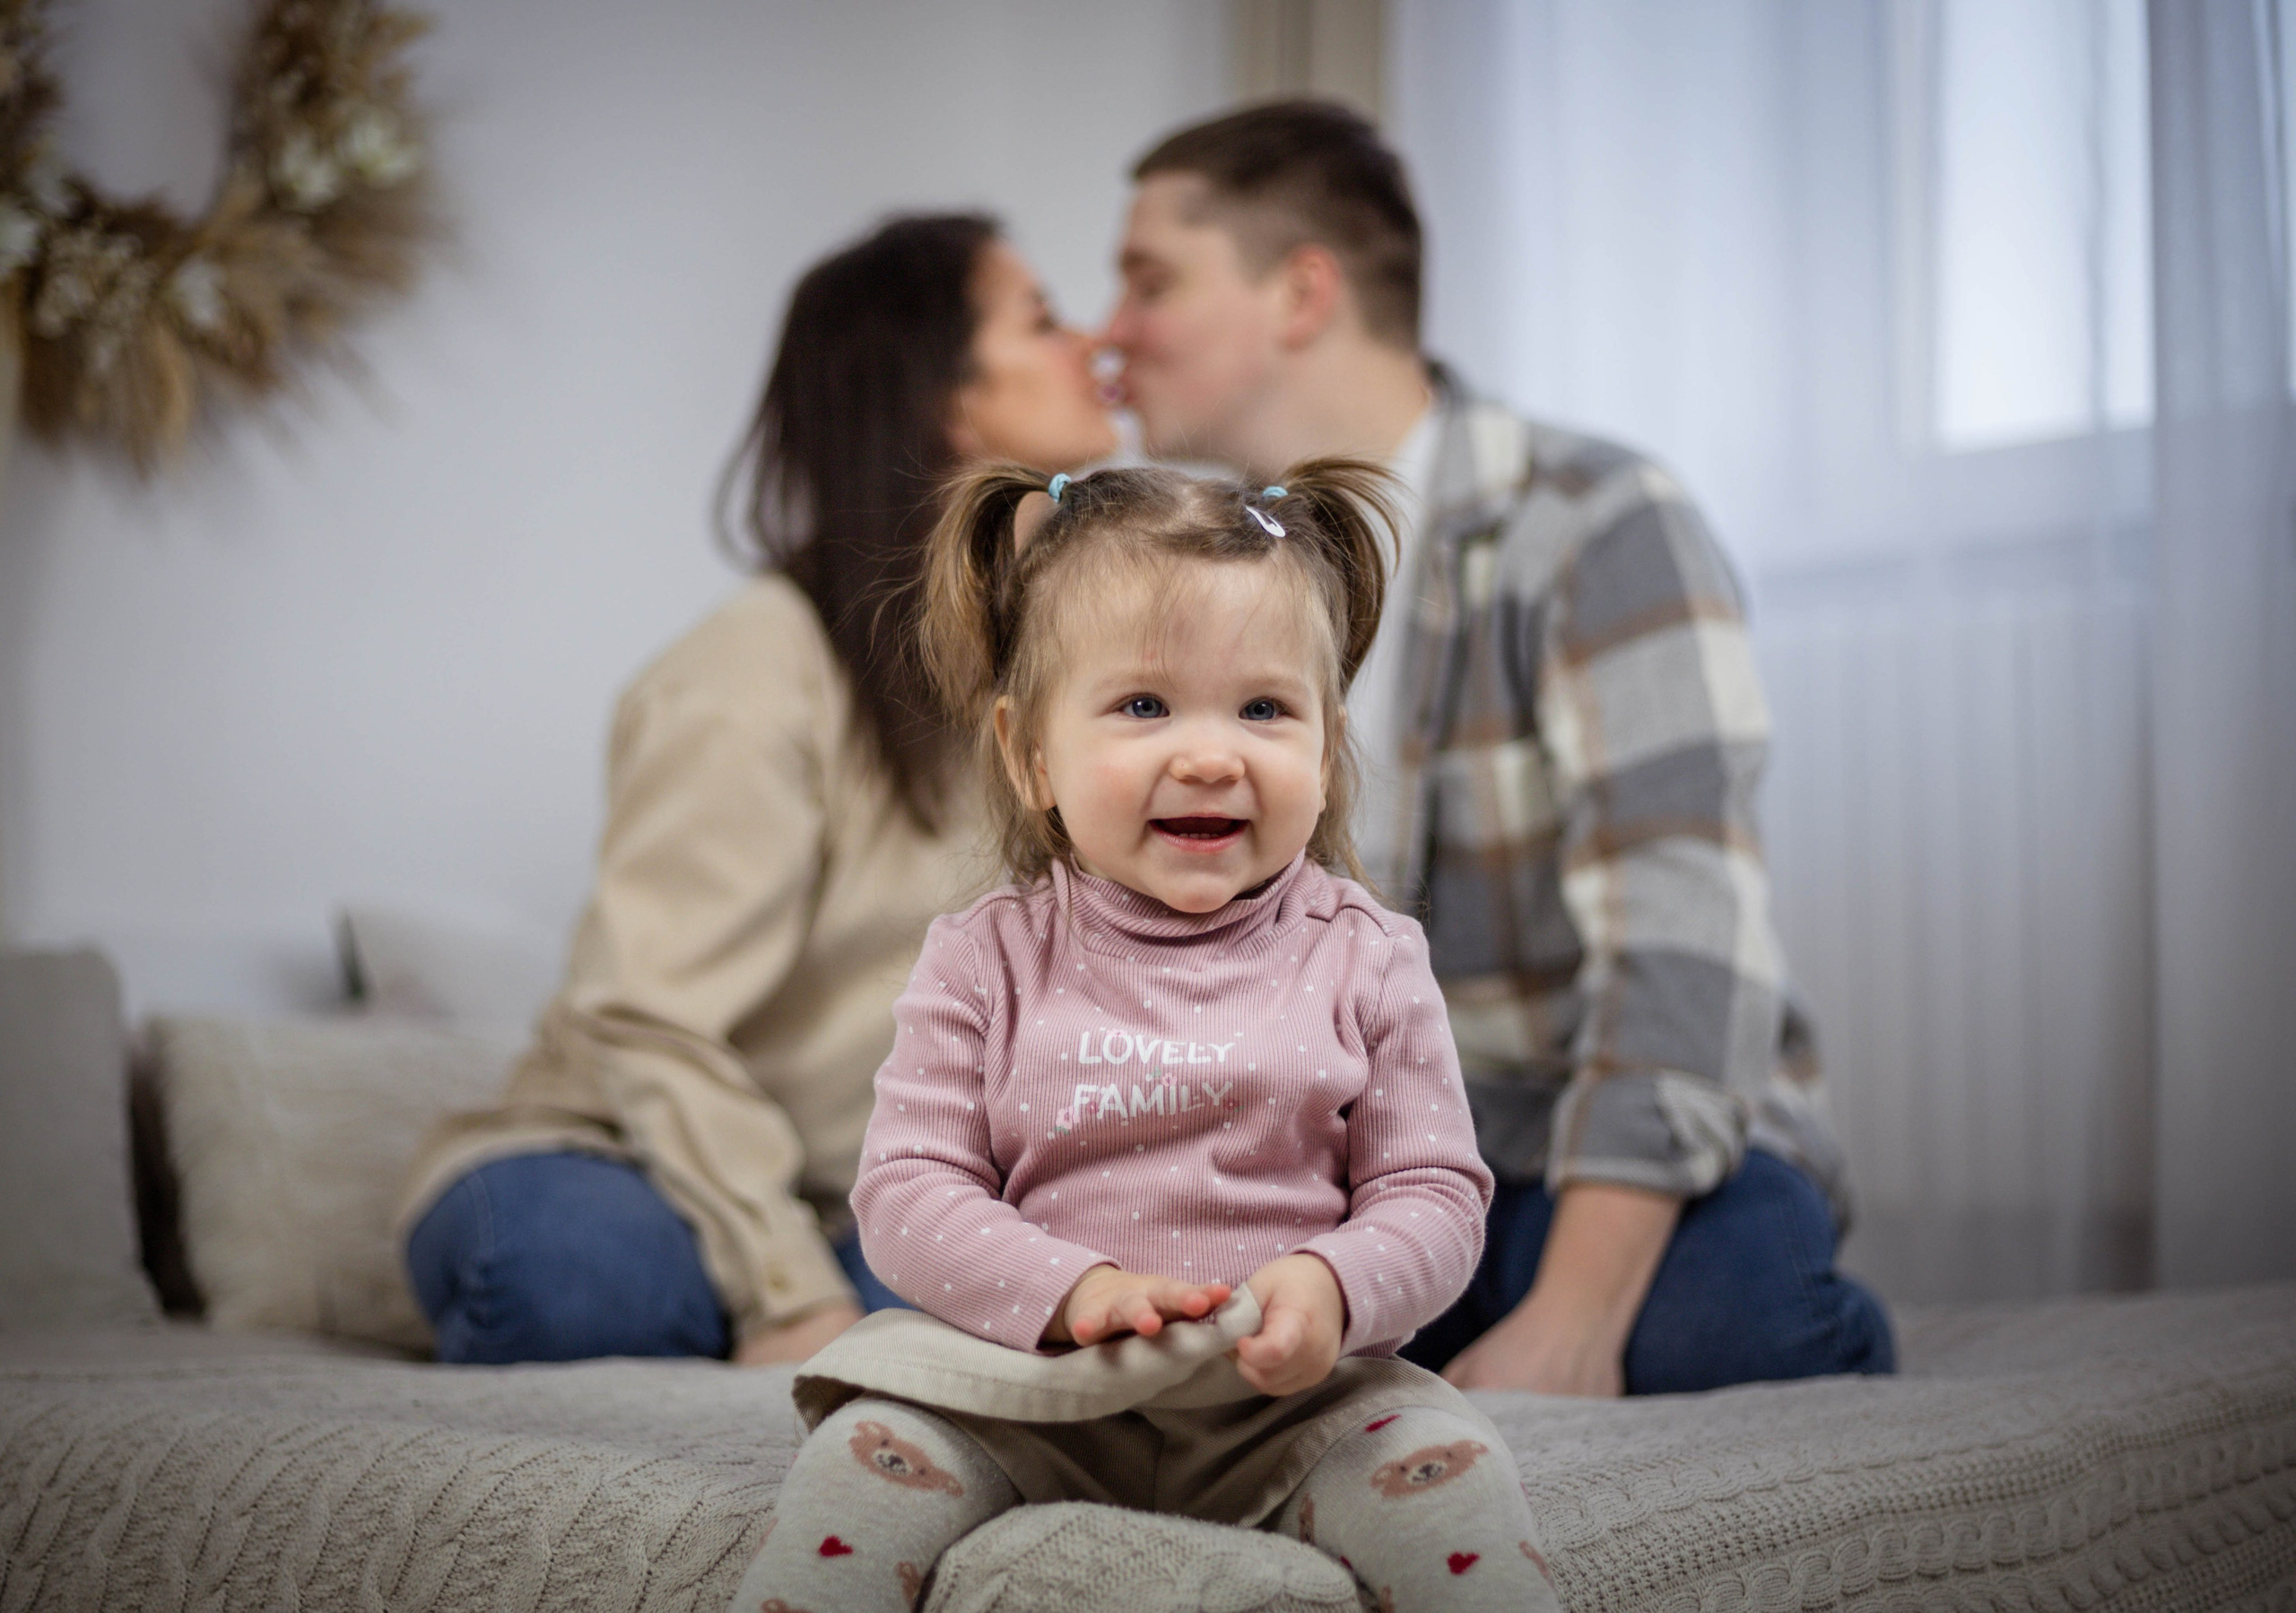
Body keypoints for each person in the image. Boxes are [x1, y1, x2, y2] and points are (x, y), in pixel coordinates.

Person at [1101, 100, 1892, 1396]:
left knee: (1720, 1326)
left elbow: (1681, 946)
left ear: (1301, 293)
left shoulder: (1592, 524)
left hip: (1564, 1136)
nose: (1110, 332)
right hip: (1345, 1167)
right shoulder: (1180, 580)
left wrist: (1575, 1315)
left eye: (1150, 283)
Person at [735, 458, 1561, 1613]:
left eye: (1264, 709)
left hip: (1286, 1406)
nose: (1211, 755)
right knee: (863, 1456)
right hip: (1026, 1392)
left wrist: (1333, 1284)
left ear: (1327, 750)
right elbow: (908, 1191)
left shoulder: (1367, 955)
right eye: (1143, 706)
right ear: (1030, 755)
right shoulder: (982, 957)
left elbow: (1433, 1193)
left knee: (1451, 1471)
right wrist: (1071, 1288)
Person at [395, 214, 1118, 1366]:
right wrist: (787, 1291)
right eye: (1043, 320)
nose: (1092, 343)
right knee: (570, 1269)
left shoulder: (1055, 672)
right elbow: (645, 1020)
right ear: (950, 401)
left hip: (868, 1193)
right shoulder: (749, 672)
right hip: (622, 1158)